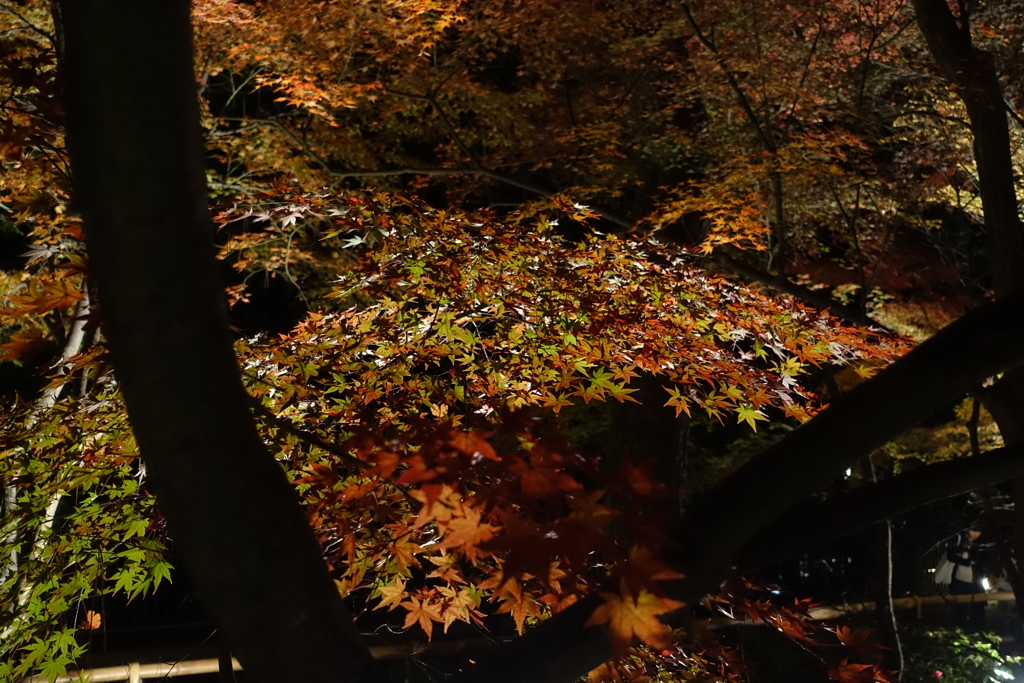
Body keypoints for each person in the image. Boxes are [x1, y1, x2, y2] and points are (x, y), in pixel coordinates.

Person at [947, 528, 986, 631]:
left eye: (978, 531)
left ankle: (979, 630)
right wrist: (966, 561)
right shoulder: (958, 540)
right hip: (960, 579)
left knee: (978, 606)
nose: (975, 534)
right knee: (960, 606)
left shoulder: (981, 543)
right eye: (973, 531)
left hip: (975, 580)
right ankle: (963, 629)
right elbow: (950, 556)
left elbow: (982, 558)